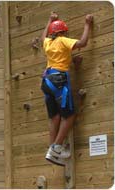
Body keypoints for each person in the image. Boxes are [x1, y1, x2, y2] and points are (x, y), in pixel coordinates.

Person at [40, 12, 93, 166]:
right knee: (69, 116)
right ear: (62, 32)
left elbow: (43, 37)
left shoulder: (48, 43)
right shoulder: (63, 40)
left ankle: (52, 150)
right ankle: (56, 147)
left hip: (47, 81)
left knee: (55, 117)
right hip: (58, 79)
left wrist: (49, 20)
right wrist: (87, 24)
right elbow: (82, 43)